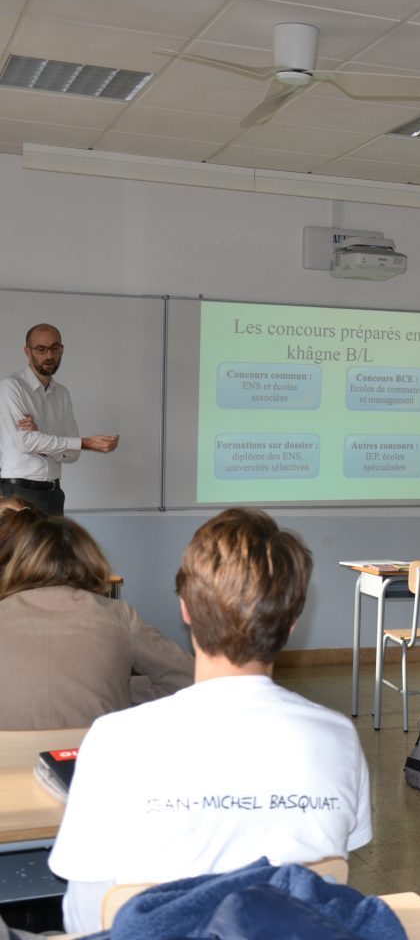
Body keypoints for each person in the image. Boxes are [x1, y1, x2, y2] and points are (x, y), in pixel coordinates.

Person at [50, 508, 372, 934]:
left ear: (185, 608)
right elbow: (333, 875)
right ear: (292, 623)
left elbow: (85, 917)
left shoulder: (114, 739)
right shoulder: (339, 736)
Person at [0, 512, 193, 729]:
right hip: (92, 748)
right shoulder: (118, 615)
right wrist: (117, 686)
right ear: (91, 561)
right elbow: (190, 678)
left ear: (18, 564)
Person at [0, 324, 119, 515]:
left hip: (54, 494)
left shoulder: (62, 393)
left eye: (55, 348)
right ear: (28, 352)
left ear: (61, 349)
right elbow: (24, 442)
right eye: (41, 349)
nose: (49, 355)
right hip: (18, 493)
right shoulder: (11, 387)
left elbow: (72, 455)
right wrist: (84, 443)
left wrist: (41, 439)